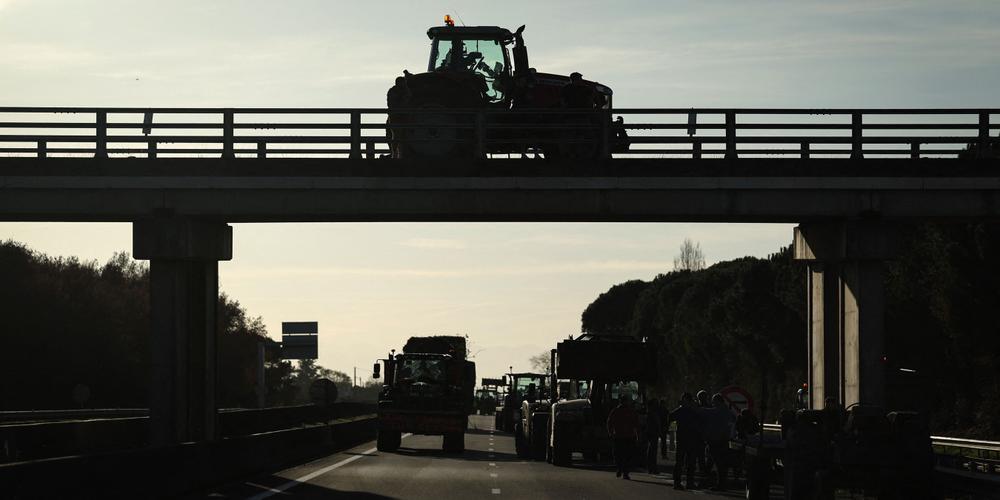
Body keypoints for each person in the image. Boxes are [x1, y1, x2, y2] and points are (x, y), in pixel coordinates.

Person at [703, 393, 736, 491]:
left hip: (716, 441)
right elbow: (733, 424)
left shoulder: (717, 412)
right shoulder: (729, 413)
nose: (713, 404)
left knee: (718, 463)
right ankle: (721, 483)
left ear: (718, 401)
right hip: (723, 440)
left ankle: (719, 484)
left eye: (714, 401)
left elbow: (705, 412)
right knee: (721, 464)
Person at [668, 393, 701, 490]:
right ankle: (688, 482)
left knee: (681, 462)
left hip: (683, 439)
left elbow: (670, 417)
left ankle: (678, 482)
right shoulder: (693, 410)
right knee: (690, 462)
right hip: (691, 439)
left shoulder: (681, 410)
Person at [606, 395, 639, 480]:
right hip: (626, 436)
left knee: (619, 455)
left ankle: (621, 469)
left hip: (621, 436)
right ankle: (624, 471)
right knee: (626, 455)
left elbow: (609, 422)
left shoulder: (616, 411)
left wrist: (610, 432)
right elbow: (636, 424)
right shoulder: (630, 411)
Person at [385, 75, 412, 158]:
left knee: (400, 136)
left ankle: (399, 154)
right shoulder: (395, 91)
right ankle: (395, 154)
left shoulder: (399, 91)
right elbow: (396, 103)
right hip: (396, 116)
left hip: (399, 116)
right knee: (396, 136)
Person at [644, 399, 661, 474]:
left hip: (651, 433)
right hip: (652, 433)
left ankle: (651, 468)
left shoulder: (650, 413)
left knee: (651, 451)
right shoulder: (652, 413)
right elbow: (656, 423)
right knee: (652, 451)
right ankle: (652, 467)